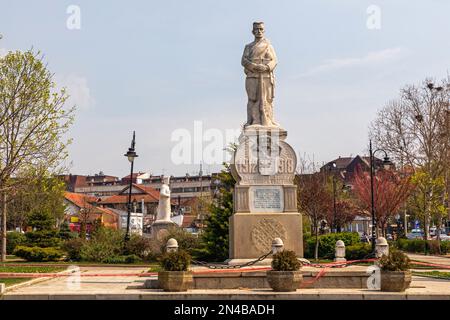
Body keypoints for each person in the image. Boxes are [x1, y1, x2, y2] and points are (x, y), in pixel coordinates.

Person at [241, 22, 279, 127]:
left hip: (266, 76)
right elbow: (243, 61)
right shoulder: (248, 47)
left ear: (264, 31)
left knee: (267, 99)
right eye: (257, 29)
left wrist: (266, 67)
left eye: (261, 29)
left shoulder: (268, 46)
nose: (259, 31)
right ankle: (251, 120)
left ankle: (269, 119)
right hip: (252, 76)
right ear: (253, 31)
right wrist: (254, 66)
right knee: (252, 98)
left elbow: (274, 60)